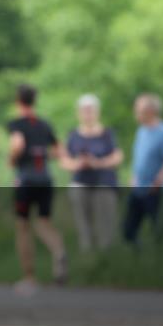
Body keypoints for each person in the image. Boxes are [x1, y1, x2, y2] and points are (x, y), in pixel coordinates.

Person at [7, 84, 67, 295]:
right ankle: (58, 251)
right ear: (34, 101)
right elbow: (59, 151)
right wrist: (42, 156)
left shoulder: (17, 124)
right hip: (45, 179)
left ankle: (29, 278)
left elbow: (17, 145)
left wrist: (12, 160)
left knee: (23, 226)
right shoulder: (44, 124)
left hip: (26, 179)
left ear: (18, 101)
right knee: (43, 222)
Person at [62, 94, 123, 251]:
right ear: (79, 112)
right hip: (81, 183)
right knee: (84, 225)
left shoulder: (107, 134)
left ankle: (106, 259)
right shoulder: (73, 135)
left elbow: (117, 157)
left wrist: (98, 163)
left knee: (106, 225)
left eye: (91, 110)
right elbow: (65, 160)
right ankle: (87, 257)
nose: (88, 113)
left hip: (103, 183)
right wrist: (79, 164)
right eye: (84, 110)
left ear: (97, 112)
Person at [123, 93, 163, 247]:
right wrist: (134, 177)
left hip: (155, 190)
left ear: (151, 111)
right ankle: (136, 257)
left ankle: (161, 260)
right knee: (128, 230)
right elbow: (139, 158)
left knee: (159, 229)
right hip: (138, 188)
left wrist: (158, 181)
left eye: (139, 110)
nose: (136, 113)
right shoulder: (141, 131)